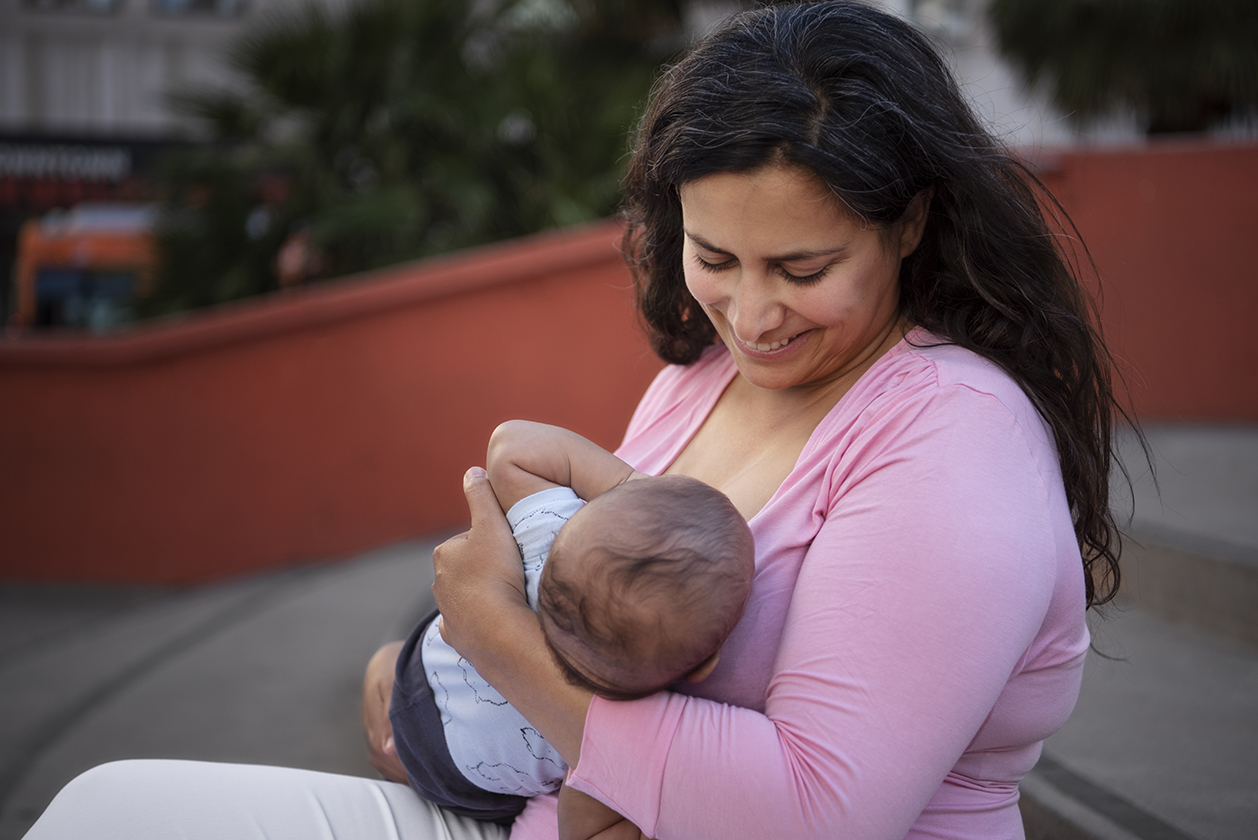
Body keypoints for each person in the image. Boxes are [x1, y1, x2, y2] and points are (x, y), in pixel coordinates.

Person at [23, 3, 1140, 839]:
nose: (752, 315)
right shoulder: (702, 381)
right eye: (716, 257)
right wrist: (432, 674)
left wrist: (501, 650)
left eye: (802, 268)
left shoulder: (952, 437)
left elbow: (818, 811)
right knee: (108, 810)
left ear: (910, 223)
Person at [379, 420, 754, 833]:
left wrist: (629, 483)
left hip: (425, 662)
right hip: (456, 778)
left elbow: (512, 445)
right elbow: (585, 829)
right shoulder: (614, 735)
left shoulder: (548, 531)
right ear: (704, 665)